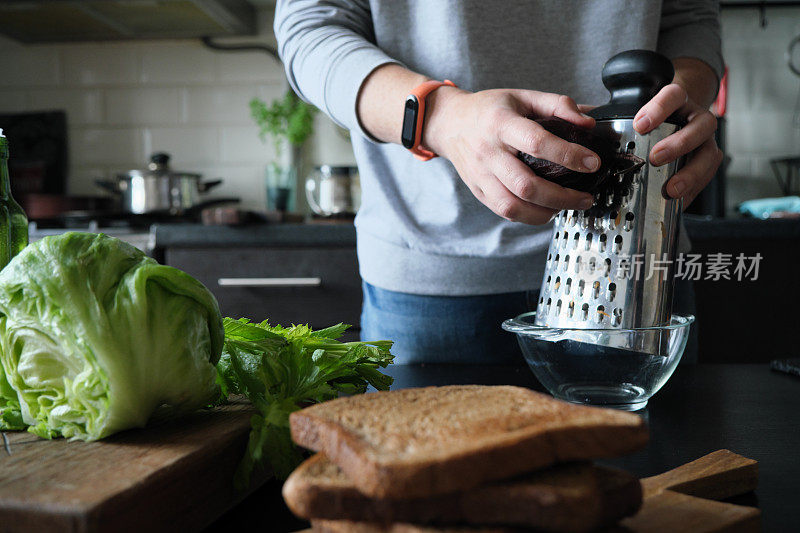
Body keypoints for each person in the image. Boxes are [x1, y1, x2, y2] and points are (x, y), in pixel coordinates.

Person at [274, 1, 723, 364]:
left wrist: (678, 104)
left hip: (636, 275)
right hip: (431, 282)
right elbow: (310, 26)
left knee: (655, 471)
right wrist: (440, 117)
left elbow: (690, 19)